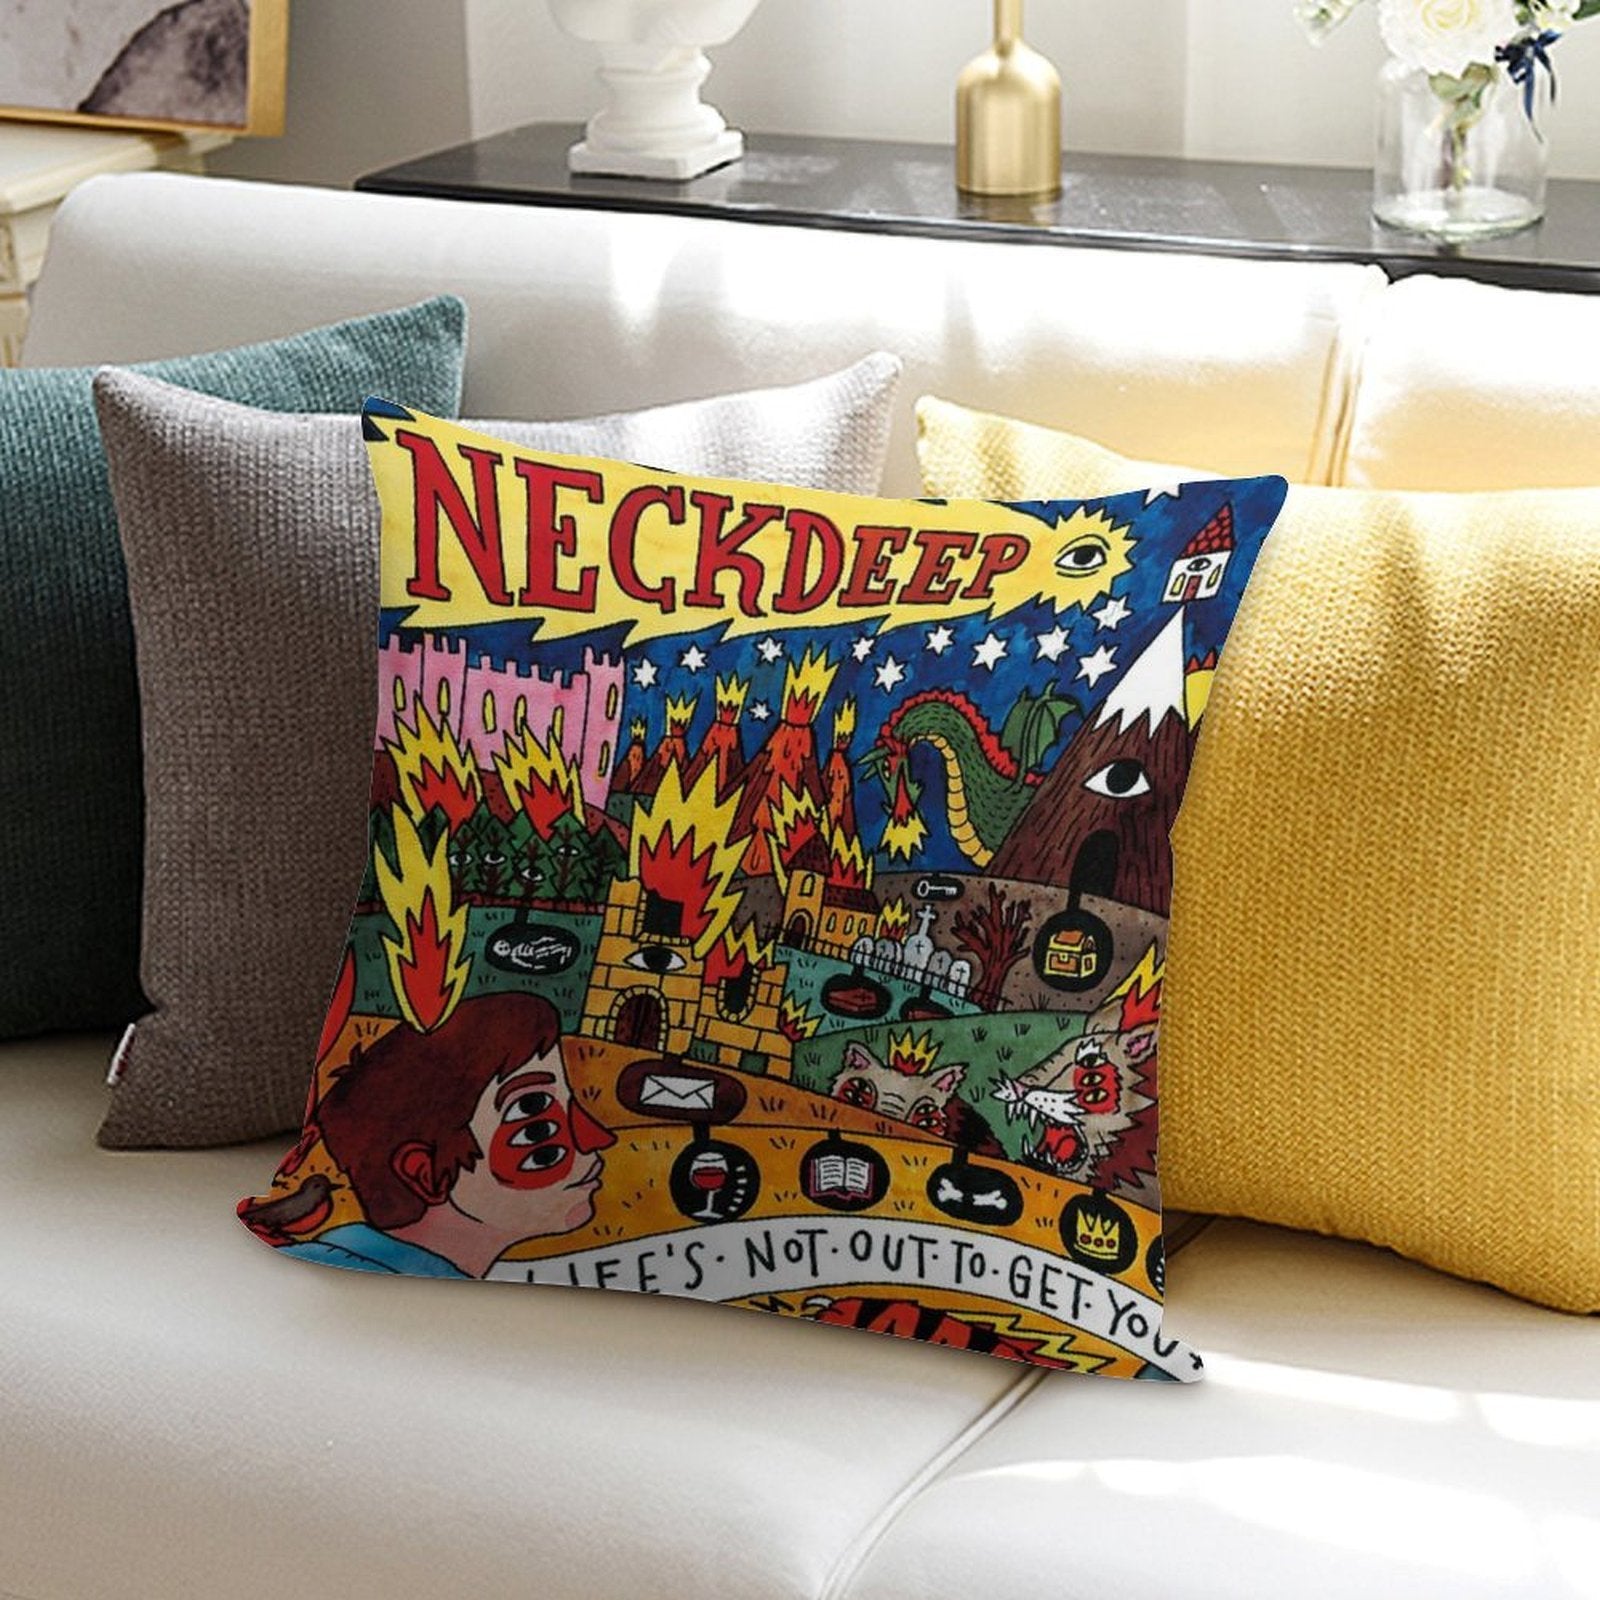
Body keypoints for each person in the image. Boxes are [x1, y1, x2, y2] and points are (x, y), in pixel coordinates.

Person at [280, 992, 614, 1279]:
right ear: (425, 1174)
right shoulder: (347, 1270)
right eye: (533, 1114)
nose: (597, 1137)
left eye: (571, 1104)